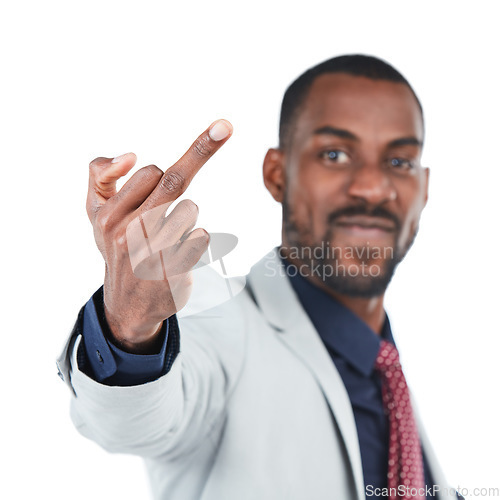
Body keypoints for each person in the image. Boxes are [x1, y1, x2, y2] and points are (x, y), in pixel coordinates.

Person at [57, 54, 460, 500]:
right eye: (335, 154)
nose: (371, 187)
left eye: (399, 162)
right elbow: (132, 424)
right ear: (276, 175)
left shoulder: (389, 372)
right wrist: (130, 328)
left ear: (423, 188)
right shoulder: (221, 319)